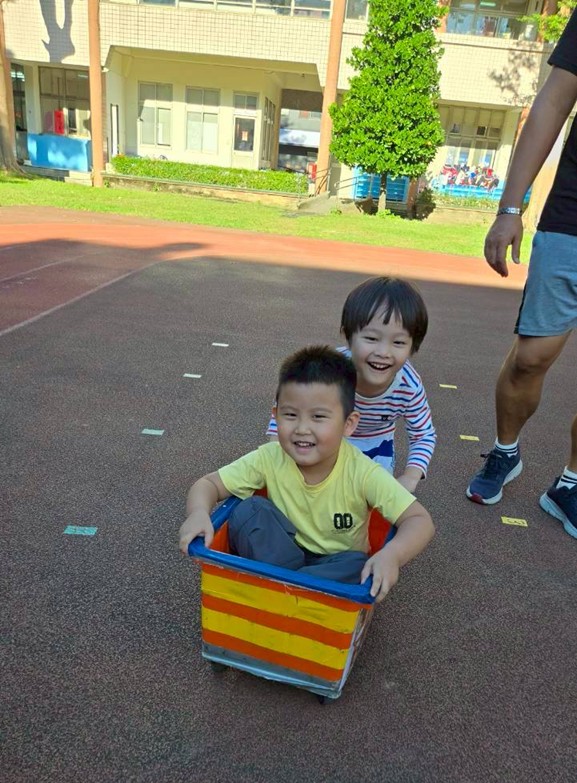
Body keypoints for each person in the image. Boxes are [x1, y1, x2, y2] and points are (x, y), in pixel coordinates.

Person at [179, 346, 435, 602]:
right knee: (249, 510)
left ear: (348, 424)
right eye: (290, 415)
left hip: (335, 564)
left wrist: (392, 555)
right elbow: (208, 484)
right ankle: (293, 591)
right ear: (276, 416)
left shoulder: (364, 472)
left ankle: (279, 588)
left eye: (318, 417)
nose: (302, 428)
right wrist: (198, 513)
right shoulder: (269, 456)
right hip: (281, 552)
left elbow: (420, 520)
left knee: (358, 565)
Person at [467, 7, 577, 540]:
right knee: (531, 358)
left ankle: (570, 483)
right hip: (572, 219)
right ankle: (505, 452)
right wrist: (511, 207)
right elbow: (553, 102)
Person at [267, 277, 436, 494]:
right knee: (305, 490)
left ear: (413, 346)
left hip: (376, 446)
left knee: (370, 499)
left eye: (398, 342)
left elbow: (423, 434)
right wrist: (276, 451)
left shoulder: (408, 386)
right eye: (371, 338)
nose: (383, 352)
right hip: (327, 436)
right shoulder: (329, 369)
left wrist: (411, 476)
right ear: (347, 335)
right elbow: (287, 407)